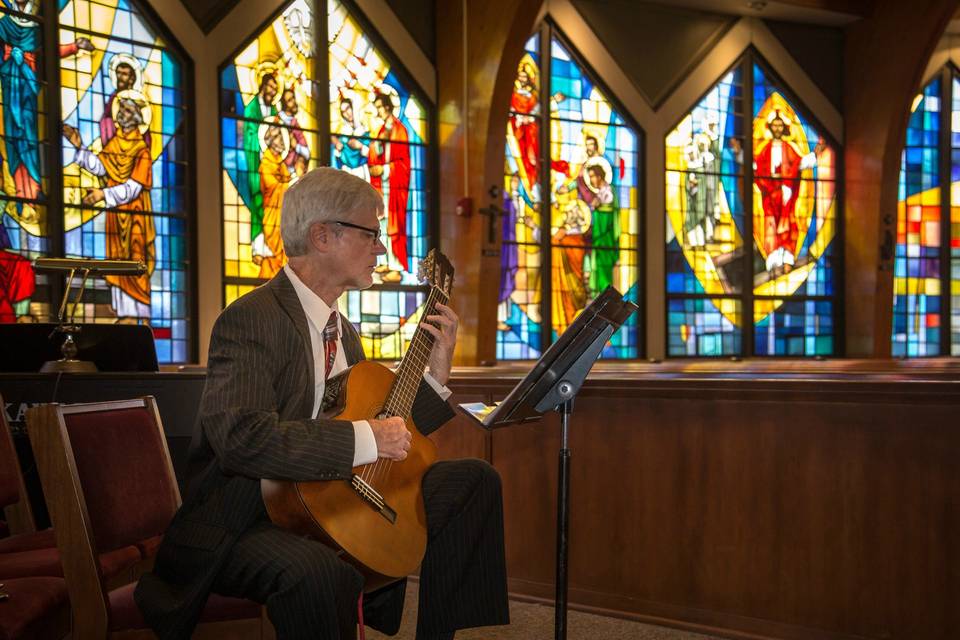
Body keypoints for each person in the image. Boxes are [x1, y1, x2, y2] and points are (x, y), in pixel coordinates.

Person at [134, 167, 509, 640]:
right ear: (322, 236)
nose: (382, 249)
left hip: (330, 498)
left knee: (473, 480)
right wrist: (367, 437)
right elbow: (241, 439)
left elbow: (389, 432)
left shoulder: (342, 330)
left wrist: (435, 373)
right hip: (245, 518)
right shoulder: (250, 319)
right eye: (372, 233)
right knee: (318, 571)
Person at [62, 91, 156, 320]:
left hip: (135, 218)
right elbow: (100, 167)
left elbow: (134, 188)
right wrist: (79, 146)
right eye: (121, 109)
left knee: (135, 264)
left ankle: (137, 318)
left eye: (126, 110)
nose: (121, 114)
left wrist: (101, 194)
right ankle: (124, 317)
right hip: (116, 217)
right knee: (116, 263)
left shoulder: (142, 151)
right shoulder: (114, 143)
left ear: (137, 117)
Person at [753, 110, 824, 273]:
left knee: (788, 223)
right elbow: (756, 166)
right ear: (770, 127)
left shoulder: (788, 148)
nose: (777, 128)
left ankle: (787, 258)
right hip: (770, 193)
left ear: (784, 128)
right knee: (771, 224)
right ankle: (773, 259)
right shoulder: (765, 149)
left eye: (780, 125)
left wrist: (815, 154)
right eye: (774, 125)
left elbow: (800, 163)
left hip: (786, 192)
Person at [368, 89, 410, 282]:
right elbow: (372, 156)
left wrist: (384, 170)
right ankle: (384, 261)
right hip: (381, 188)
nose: (378, 112)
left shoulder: (399, 130)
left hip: (395, 188)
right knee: (382, 224)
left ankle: (397, 266)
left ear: (387, 106)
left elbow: (403, 165)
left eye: (379, 107)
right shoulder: (380, 131)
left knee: (395, 226)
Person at [243, 71, 280, 261]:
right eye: (270, 87)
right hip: (256, 165)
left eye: (275, 89)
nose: (272, 92)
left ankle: (271, 244)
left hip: (271, 165)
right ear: (263, 86)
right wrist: (261, 144)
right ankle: (257, 246)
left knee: (273, 206)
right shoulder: (251, 109)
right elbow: (249, 138)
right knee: (258, 202)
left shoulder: (274, 111)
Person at [253, 118, 292, 278]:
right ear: (268, 141)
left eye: (281, 136)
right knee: (271, 261)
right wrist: (292, 185)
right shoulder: (266, 164)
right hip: (271, 217)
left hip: (284, 219)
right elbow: (273, 187)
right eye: (276, 136)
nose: (281, 140)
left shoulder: (281, 165)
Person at [332, 95, 370, 180]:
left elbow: (372, 154)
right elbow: (337, 159)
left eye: (348, 108)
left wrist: (361, 147)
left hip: (362, 171)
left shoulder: (364, 131)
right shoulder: (342, 134)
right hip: (346, 171)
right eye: (343, 112)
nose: (347, 113)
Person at [277, 88, 310, 179]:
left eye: (293, 98)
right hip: (278, 170)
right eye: (289, 100)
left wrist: (296, 146)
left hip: (293, 172)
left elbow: (307, 153)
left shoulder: (294, 123)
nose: (294, 102)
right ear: (284, 105)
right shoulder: (276, 121)